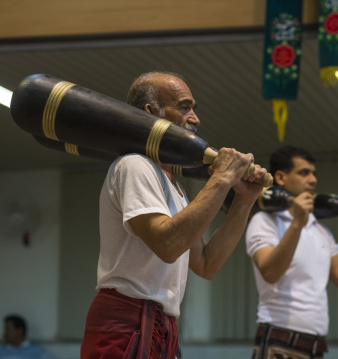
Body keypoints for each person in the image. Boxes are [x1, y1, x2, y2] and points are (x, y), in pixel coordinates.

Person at [80, 71, 268, 359]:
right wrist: (222, 178)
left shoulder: (173, 185)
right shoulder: (134, 165)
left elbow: (207, 265)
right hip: (126, 321)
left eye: (193, 108)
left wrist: (243, 201)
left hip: (161, 323)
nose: (195, 118)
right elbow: (168, 245)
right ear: (151, 112)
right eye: (184, 107)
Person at [245, 145, 338, 359]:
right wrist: (298, 222)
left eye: (314, 173)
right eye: (304, 172)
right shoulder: (264, 221)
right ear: (281, 177)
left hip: (315, 345)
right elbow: (270, 273)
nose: (313, 180)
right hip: (278, 339)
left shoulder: (320, 230)